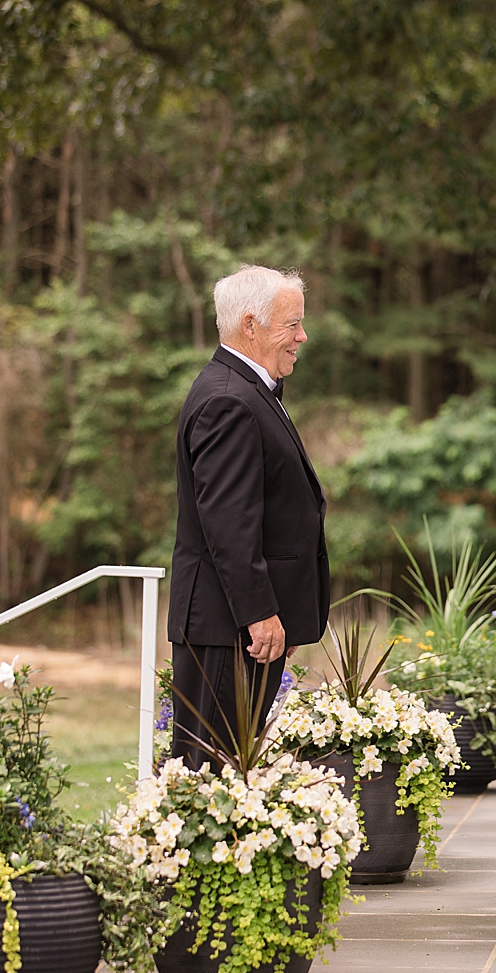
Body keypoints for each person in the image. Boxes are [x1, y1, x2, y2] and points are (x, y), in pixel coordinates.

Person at [167, 265, 330, 768]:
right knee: (210, 774)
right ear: (251, 325)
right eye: (292, 325)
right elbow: (229, 523)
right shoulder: (227, 400)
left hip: (233, 624)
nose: (302, 336)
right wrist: (259, 615)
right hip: (227, 626)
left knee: (231, 775)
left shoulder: (247, 390)